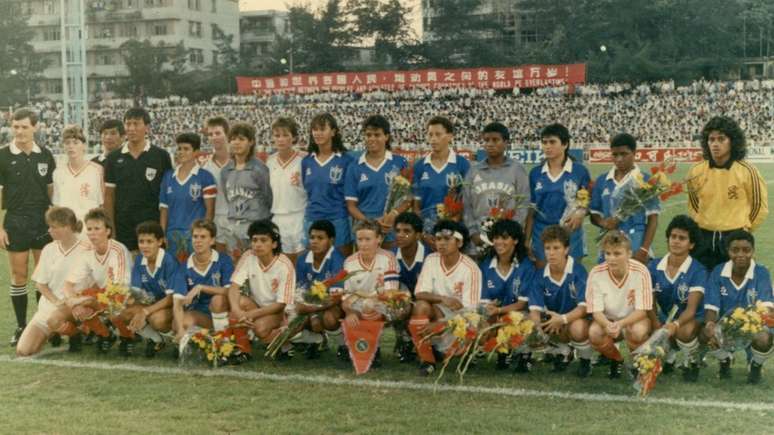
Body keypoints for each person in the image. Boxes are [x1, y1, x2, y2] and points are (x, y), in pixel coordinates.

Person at [0, 108, 57, 345]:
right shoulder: (3, 155)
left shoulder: (45, 155)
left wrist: (53, 222)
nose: (20, 131)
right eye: (16, 126)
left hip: (41, 221)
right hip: (15, 220)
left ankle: (42, 324)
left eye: (24, 126)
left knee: (43, 276)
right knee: (19, 275)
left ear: (35, 127)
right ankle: (22, 326)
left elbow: (51, 192)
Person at [687, 116, 768, 270]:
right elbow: (694, 205)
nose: (715, 144)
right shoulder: (696, 171)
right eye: (711, 139)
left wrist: (744, 229)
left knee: (736, 285)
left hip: (735, 237)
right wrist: (705, 222)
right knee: (704, 285)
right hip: (703, 237)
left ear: (732, 141)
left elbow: (759, 207)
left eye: (721, 139)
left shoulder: (748, 171)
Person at [47, 209, 133, 354]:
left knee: (110, 306)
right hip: (103, 295)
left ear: (107, 231)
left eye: (97, 228)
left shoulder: (118, 250)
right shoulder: (87, 253)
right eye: (89, 229)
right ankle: (105, 334)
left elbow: (117, 289)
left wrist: (85, 301)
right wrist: (73, 302)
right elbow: (68, 285)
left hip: (125, 295)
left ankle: (127, 336)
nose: (92, 233)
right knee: (67, 310)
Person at [410, 219, 482, 376]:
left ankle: (465, 352)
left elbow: (471, 313)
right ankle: (427, 360)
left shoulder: (471, 269)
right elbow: (419, 293)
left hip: (461, 319)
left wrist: (439, 325)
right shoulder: (431, 260)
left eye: (447, 239)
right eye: (438, 239)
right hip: (439, 311)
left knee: (473, 328)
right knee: (420, 306)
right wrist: (443, 299)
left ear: (459, 242)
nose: (441, 243)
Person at [16, 207, 91, 357]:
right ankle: (68, 332)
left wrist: (76, 301)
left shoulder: (87, 249)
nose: (49, 230)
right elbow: (40, 284)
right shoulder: (48, 249)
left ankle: (76, 332)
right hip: (51, 306)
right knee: (24, 351)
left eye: (53, 227)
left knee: (55, 319)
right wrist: (56, 301)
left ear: (67, 227)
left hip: (77, 306)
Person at [703, 230, 773, 384]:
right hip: (726, 326)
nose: (741, 254)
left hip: (755, 326)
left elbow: (768, 309)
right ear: (728, 251)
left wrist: (748, 324)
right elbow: (711, 307)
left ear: (753, 251)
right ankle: (724, 361)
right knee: (707, 331)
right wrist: (710, 324)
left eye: (746, 250)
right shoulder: (718, 272)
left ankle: (755, 366)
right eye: (735, 250)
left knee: (764, 337)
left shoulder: (761, 272)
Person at [647, 215, 707, 382]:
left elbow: (692, 309)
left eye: (682, 238)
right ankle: (670, 356)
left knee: (684, 331)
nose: (676, 241)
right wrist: (655, 323)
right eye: (673, 236)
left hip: (692, 318)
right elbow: (650, 303)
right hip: (666, 316)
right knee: (646, 327)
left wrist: (674, 325)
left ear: (691, 244)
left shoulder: (698, 271)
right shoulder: (653, 266)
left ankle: (692, 360)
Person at [104, 107, 173, 252]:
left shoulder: (161, 156)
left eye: (136, 124)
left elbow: (167, 196)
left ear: (147, 127)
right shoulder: (113, 158)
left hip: (152, 228)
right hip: (124, 229)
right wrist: (111, 229)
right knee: (126, 273)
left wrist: (163, 228)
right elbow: (109, 196)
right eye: (128, 124)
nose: (131, 128)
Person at [586, 231, 653, 379]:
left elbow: (642, 311)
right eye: (607, 253)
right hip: (607, 319)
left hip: (633, 319)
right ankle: (617, 359)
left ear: (629, 253)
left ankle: (637, 362)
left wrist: (621, 324)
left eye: (617, 254)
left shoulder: (641, 271)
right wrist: (608, 325)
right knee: (594, 333)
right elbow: (596, 312)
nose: (611, 258)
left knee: (638, 331)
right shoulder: (596, 273)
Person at [527, 225, 591, 377]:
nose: (551, 253)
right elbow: (534, 309)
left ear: (566, 249)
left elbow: (584, 307)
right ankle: (563, 352)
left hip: (575, 319)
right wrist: (537, 329)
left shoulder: (578, 271)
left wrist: (562, 319)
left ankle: (585, 361)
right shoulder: (540, 274)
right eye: (547, 248)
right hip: (554, 320)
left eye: (556, 248)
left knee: (578, 328)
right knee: (530, 322)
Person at [523, 123, 590, 266]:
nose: (547, 146)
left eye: (552, 142)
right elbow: (532, 210)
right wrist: (526, 240)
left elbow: (587, 201)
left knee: (571, 278)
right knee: (543, 278)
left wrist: (580, 212)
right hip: (541, 233)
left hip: (570, 233)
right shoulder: (535, 173)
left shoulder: (580, 171)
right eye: (544, 142)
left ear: (565, 144)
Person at [229, 220, 296, 361]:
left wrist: (249, 314)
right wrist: (237, 310)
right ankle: (243, 351)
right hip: (258, 307)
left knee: (260, 328)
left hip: (280, 312)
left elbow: (281, 304)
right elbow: (234, 286)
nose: (257, 244)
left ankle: (287, 342)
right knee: (237, 302)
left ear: (274, 244)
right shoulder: (248, 256)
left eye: (263, 240)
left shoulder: (285, 265)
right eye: (254, 240)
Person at [590, 133, 659, 264]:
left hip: (636, 242)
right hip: (609, 244)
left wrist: (644, 250)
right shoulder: (602, 180)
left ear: (634, 153)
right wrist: (603, 223)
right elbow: (594, 214)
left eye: (624, 154)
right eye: (615, 155)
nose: (619, 159)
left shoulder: (646, 180)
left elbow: (653, 219)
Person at [463, 122, 529, 255]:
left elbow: (523, 204)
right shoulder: (473, 171)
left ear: (506, 142)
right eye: (486, 140)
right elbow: (466, 205)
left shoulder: (517, 169)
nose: (490, 144)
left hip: (507, 240)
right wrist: (473, 232)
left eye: (495, 140)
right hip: (478, 241)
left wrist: (510, 232)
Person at [340, 219, 401, 365]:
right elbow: (347, 296)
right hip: (358, 302)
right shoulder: (350, 261)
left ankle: (374, 348)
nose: (363, 244)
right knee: (352, 312)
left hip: (384, 302)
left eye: (368, 239)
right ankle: (351, 346)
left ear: (379, 239)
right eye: (360, 239)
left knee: (368, 305)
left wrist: (372, 301)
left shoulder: (388, 258)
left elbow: (391, 292)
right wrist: (349, 312)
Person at [344, 115, 410, 249]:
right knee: (366, 268)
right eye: (368, 135)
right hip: (365, 230)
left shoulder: (400, 163)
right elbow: (351, 205)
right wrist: (371, 223)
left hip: (392, 228)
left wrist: (393, 214)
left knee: (390, 267)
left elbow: (409, 198)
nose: (372, 139)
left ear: (386, 136)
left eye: (377, 134)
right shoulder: (354, 167)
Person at [123, 221, 185, 357]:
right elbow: (136, 292)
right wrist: (126, 300)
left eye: (149, 241)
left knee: (157, 320)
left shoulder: (169, 261)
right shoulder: (139, 260)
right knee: (124, 312)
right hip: (151, 304)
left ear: (160, 241)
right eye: (141, 241)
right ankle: (156, 339)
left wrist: (145, 311)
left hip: (173, 306)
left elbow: (171, 299)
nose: (144, 246)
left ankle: (178, 340)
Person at [173, 220, 232, 345]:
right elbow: (177, 302)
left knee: (218, 300)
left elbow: (230, 291)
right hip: (201, 315)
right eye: (195, 237)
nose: (198, 240)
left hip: (223, 312)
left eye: (203, 237)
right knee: (181, 322)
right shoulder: (184, 267)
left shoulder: (223, 260)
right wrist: (180, 330)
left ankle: (224, 342)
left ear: (212, 240)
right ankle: (200, 341)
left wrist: (201, 287)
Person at [301, 113, 354, 255]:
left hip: (338, 219)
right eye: (315, 129)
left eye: (322, 129)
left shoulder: (346, 160)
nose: (317, 133)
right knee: (313, 264)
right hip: (312, 219)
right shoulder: (307, 161)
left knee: (341, 265)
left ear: (333, 132)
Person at [159, 133, 216, 261]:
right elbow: (164, 209)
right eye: (179, 148)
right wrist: (162, 235)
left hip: (195, 236)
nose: (181, 152)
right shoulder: (168, 176)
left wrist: (204, 235)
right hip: (172, 234)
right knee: (174, 274)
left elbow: (210, 211)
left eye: (186, 149)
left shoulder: (206, 177)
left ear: (196, 152)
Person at [413, 116, 471, 242]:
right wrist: (424, 232)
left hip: (453, 231)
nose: (433, 139)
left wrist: (450, 224)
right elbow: (416, 205)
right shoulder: (419, 166)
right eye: (430, 135)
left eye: (438, 134)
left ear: (450, 136)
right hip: (427, 234)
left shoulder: (462, 164)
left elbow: (466, 200)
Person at [294, 219, 346, 359]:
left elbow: (335, 297)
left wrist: (312, 311)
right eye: (312, 237)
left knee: (329, 319)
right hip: (312, 304)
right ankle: (316, 340)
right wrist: (310, 311)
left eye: (320, 238)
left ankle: (344, 344)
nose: (314, 241)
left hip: (334, 305)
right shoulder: (302, 259)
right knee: (292, 320)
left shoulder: (337, 259)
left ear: (331, 240)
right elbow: (300, 290)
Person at [220, 122, 272, 260]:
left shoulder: (259, 169)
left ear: (251, 142)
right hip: (234, 227)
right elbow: (228, 198)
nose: (236, 143)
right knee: (237, 270)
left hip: (255, 227)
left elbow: (268, 197)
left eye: (241, 139)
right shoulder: (225, 171)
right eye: (233, 139)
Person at [267, 117, 307, 263]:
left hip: (300, 215)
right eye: (277, 136)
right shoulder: (269, 162)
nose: (281, 139)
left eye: (285, 135)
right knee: (284, 263)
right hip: (278, 217)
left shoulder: (304, 160)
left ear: (294, 138)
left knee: (303, 260)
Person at [53, 125, 104, 224]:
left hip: (89, 227)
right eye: (67, 143)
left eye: (75, 143)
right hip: (67, 227)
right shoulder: (58, 173)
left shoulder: (96, 170)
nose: (71, 146)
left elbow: (101, 204)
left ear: (84, 145)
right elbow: (57, 205)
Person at [201, 116, 231, 253]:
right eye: (211, 134)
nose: (214, 137)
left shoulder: (239, 161)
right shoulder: (205, 166)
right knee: (220, 261)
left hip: (237, 218)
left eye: (218, 133)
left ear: (227, 134)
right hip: (216, 218)